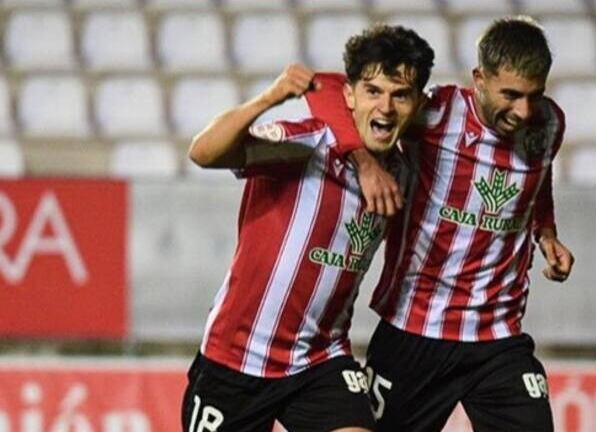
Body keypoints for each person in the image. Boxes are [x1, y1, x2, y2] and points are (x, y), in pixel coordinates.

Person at [306, 16, 574, 431]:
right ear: (479, 79)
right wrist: (363, 162)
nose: (523, 111)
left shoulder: (549, 124)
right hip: (415, 329)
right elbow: (324, 88)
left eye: (533, 95)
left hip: (498, 338)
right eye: (511, 94)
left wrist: (546, 231)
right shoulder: (435, 114)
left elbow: (538, 176)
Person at [181, 24, 434, 432]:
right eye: (373, 91)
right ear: (349, 95)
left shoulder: (402, 175)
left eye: (400, 95)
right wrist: (270, 98)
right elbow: (202, 151)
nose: (385, 107)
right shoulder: (304, 146)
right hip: (237, 359)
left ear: (416, 103)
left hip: (320, 359)